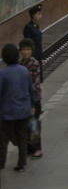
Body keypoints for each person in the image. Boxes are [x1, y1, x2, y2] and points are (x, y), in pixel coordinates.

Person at [0, 44, 34, 173]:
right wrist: (32, 105)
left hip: (8, 112)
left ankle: (1, 163)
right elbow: (31, 90)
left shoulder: (3, 73)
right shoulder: (24, 70)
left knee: (3, 140)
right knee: (22, 138)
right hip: (24, 110)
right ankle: (21, 163)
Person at [19, 38, 43, 159]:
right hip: (24, 98)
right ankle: (30, 147)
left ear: (32, 50)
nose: (25, 52)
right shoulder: (21, 63)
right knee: (27, 124)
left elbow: (33, 84)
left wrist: (32, 103)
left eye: (28, 49)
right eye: (23, 49)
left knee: (34, 123)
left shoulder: (34, 63)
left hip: (34, 98)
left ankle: (38, 149)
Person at [23, 4, 44, 82]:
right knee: (33, 79)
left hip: (38, 55)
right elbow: (27, 43)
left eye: (40, 14)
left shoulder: (36, 26)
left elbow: (39, 43)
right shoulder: (28, 27)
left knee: (39, 79)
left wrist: (42, 56)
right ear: (32, 15)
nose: (40, 16)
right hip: (32, 55)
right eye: (38, 14)